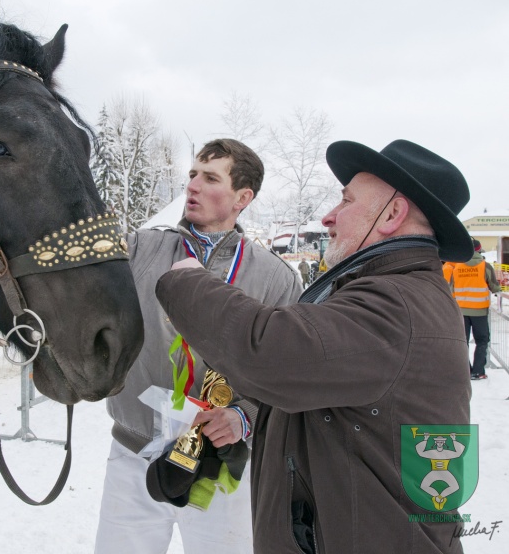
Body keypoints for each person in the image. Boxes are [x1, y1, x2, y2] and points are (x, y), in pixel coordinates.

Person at [155, 139, 473, 553]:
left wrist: (186, 282)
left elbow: (268, 353)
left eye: (345, 201)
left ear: (392, 214)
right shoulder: (396, 294)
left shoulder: (395, 306)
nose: (328, 217)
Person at [95, 139, 301, 554]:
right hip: (135, 454)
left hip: (221, 469)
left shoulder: (277, 279)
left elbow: (291, 374)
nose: (192, 186)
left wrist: (245, 416)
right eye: (192, 175)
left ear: (243, 197)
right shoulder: (139, 249)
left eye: (210, 178)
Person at [445, 238, 501, 380]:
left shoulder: (456, 267)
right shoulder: (485, 266)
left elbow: (452, 289)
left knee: (463, 341)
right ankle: (478, 371)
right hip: (479, 311)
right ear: (479, 251)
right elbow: (494, 287)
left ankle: (465, 371)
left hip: (461, 311)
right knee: (482, 340)